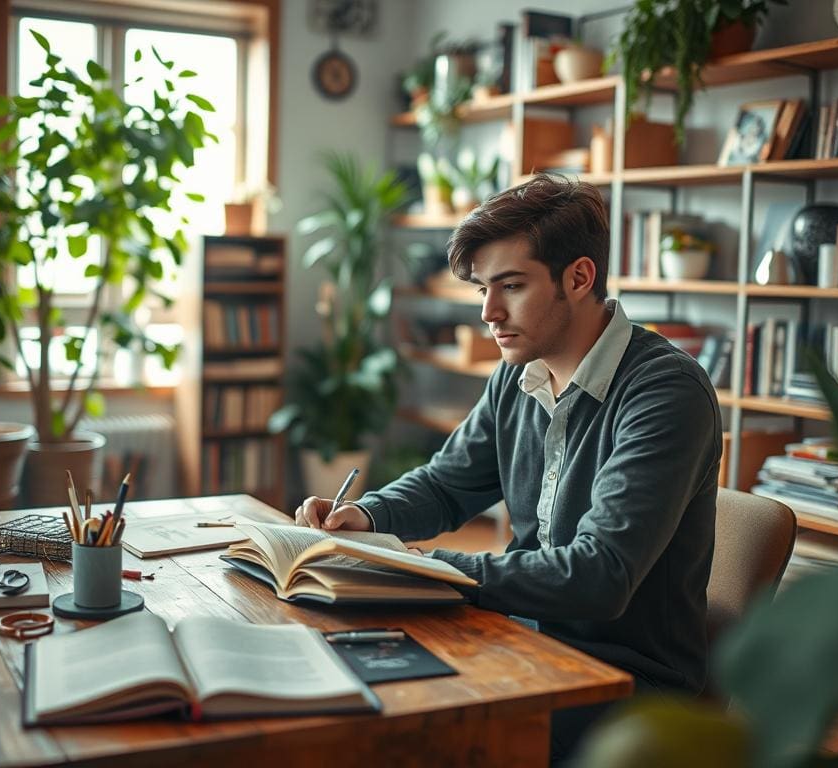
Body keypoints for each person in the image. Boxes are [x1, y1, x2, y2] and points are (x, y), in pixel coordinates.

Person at [295, 173, 722, 761]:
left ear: (578, 278)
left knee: (406, 737)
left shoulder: (664, 392)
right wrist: (365, 515)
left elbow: (600, 576)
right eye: (483, 291)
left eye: (511, 286)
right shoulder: (519, 373)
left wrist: (430, 568)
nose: (490, 313)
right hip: (521, 641)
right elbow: (448, 484)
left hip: (628, 687)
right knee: (348, 692)